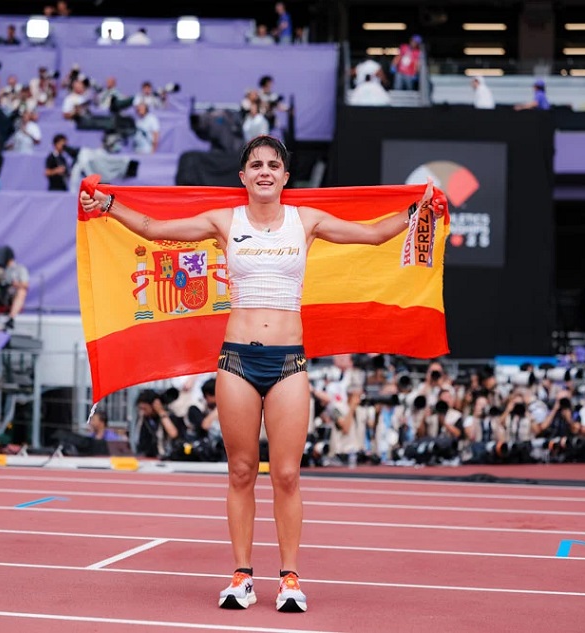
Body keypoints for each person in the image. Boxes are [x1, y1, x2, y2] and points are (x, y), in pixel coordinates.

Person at [80, 135, 437, 613]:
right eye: (256, 165)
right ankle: (242, 576)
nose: (265, 171)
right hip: (236, 361)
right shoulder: (223, 221)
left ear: (286, 177)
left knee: (287, 474)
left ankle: (289, 578)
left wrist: (422, 209)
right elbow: (150, 227)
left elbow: (372, 234)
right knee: (242, 471)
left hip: (289, 362)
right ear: (243, 176)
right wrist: (107, 204)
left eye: (274, 165)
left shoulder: (304, 221)